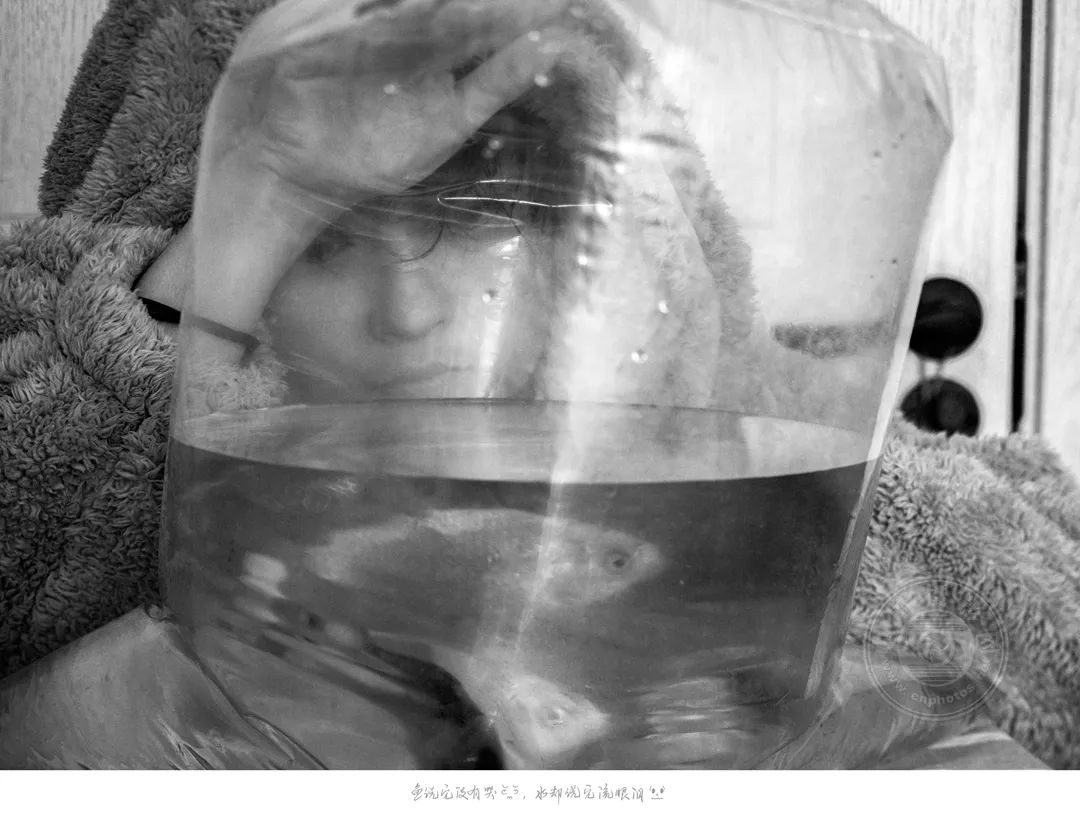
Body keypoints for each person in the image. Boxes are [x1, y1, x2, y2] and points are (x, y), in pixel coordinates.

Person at [2, 0, 1079, 769]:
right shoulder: (70, 394)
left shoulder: (776, 456)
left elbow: (1026, 602)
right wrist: (271, 183)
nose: (408, 309)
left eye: (489, 224)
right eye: (327, 242)